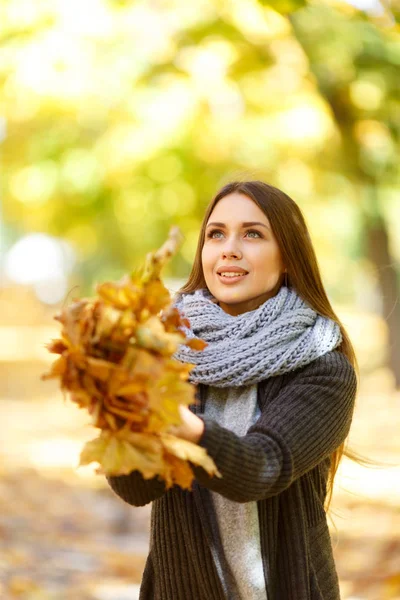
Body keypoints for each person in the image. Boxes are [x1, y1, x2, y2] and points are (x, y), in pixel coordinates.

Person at [106, 180, 358, 600]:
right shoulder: (169, 354)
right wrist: (123, 412)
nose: (229, 248)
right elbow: (135, 488)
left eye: (253, 234)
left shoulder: (322, 366)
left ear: (289, 258)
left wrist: (182, 425)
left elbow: (263, 468)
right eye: (216, 233)